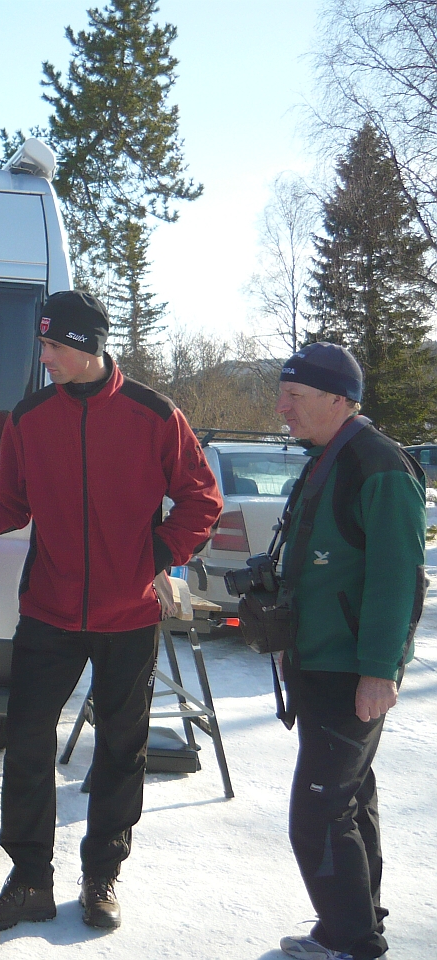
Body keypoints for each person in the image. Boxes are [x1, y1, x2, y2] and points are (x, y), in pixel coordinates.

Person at [0, 290, 222, 931]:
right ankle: (29, 878)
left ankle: (102, 875)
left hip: (129, 616)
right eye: (43, 343)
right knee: (28, 743)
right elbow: (8, 502)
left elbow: (201, 499)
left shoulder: (154, 414)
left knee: (121, 748)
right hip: (48, 611)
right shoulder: (29, 418)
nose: (45, 356)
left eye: (54, 345)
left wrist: (154, 556)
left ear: (87, 347)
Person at [270, 343, 425, 960]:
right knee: (349, 801)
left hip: (350, 671)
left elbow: (398, 578)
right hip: (318, 663)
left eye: (295, 396)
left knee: (318, 814)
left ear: (339, 400)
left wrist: (380, 671)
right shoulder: (325, 458)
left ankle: (352, 944)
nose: (282, 408)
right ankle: (355, 927)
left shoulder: (378, 464)